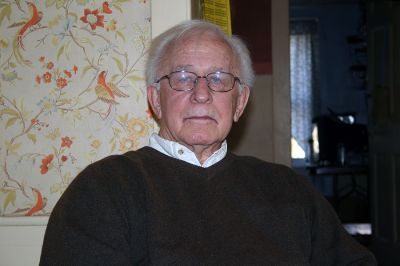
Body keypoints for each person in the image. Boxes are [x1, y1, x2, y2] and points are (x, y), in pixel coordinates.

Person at [40, 20, 376, 265]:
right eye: (183, 78)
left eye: (218, 79)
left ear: (239, 103)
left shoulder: (289, 189)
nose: (201, 94)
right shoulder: (103, 191)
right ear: (156, 100)